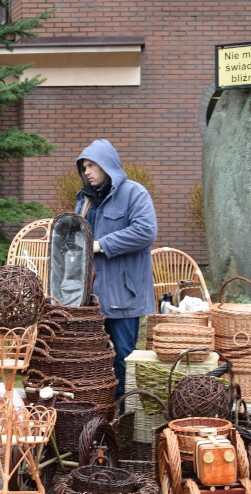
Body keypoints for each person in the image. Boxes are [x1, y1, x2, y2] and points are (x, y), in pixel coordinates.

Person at [75, 139, 157, 401]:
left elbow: (146, 231)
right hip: (90, 298)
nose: (86, 172)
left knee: (123, 359)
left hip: (123, 295)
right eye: (84, 167)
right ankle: (99, 414)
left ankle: (124, 417)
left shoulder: (135, 193)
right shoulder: (85, 201)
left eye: (91, 166)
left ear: (107, 165)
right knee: (92, 360)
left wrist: (102, 245)